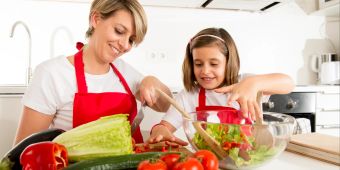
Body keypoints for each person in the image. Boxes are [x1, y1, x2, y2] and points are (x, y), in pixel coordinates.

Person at [14, 0, 172, 144]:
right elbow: (23, 152)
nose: (125, 45)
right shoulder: (52, 74)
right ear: (95, 19)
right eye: (119, 31)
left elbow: (167, 106)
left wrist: (152, 81)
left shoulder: (128, 74)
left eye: (131, 39)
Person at [148, 27, 295, 146]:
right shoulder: (188, 96)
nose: (205, 71)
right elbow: (164, 127)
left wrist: (253, 83)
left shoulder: (245, 82)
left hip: (246, 161)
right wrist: (159, 131)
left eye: (214, 64)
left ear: (228, 62)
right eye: (198, 64)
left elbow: (288, 83)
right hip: (208, 161)